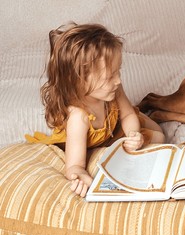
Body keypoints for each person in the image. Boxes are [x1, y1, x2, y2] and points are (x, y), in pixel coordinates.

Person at [25, 23, 165, 197]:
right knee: (157, 137)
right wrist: (81, 176)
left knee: (159, 132)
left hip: (117, 127)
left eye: (118, 72)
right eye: (110, 77)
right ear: (79, 80)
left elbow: (128, 114)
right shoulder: (79, 117)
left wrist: (133, 135)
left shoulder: (113, 90)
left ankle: (142, 117)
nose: (118, 81)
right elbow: (74, 165)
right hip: (95, 140)